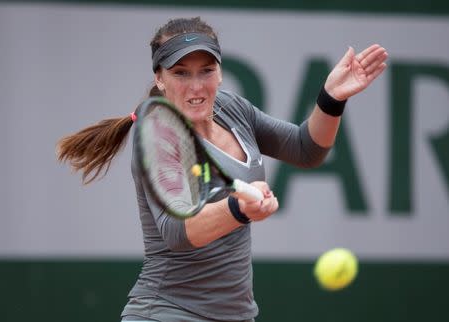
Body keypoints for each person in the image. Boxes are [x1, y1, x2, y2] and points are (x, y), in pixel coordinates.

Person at [57, 16, 387, 322]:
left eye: (206, 70)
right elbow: (177, 231)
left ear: (220, 72)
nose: (196, 86)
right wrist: (238, 208)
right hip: (166, 313)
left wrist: (331, 98)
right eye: (180, 72)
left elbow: (306, 149)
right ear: (159, 79)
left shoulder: (231, 108)